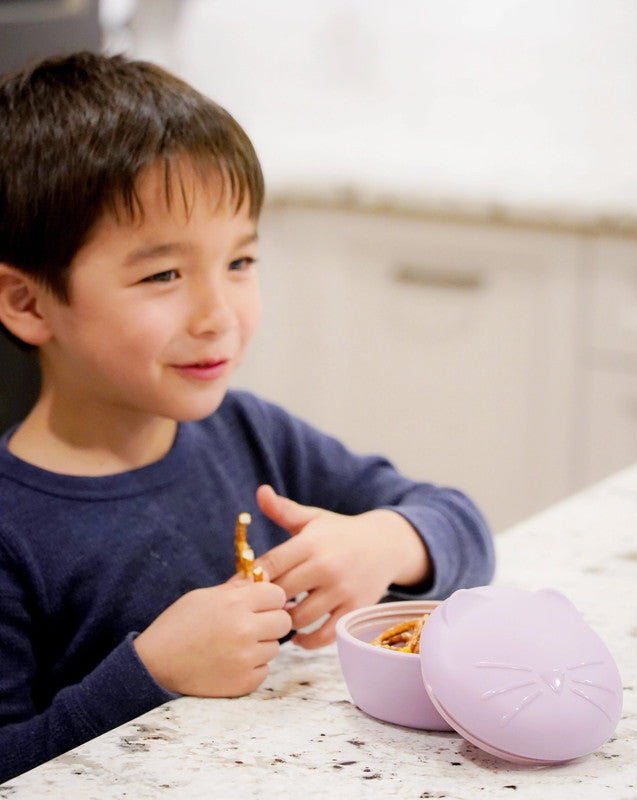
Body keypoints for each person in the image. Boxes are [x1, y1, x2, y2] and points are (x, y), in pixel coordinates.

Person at [0, 51, 495, 782]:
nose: (219, 315)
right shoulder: (12, 528)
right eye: (163, 274)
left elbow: (463, 527)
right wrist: (151, 673)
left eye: (239, 263)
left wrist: (386, 543)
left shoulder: (251, 433)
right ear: (28, 303)